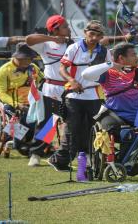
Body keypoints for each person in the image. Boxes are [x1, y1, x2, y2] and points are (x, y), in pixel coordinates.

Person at [26, 15, 129, 167]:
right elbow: (29, 40)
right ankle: (37, 152)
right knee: (49, 123)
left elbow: (102, 41)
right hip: (54, 88)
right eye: (65, 26)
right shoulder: (46, 44)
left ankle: (84, 154)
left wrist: (123, 37)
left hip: (77, 89)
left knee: (83, 125)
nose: (68, 28)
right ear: (55, 29)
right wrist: (53, 39)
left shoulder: (72, 42)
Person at [47, 20, 111, 172]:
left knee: (94, 129)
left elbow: (109, 72)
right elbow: (62, 68)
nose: (94, 38)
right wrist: (72, 80)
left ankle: (92, 160)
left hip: (96, 95)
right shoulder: (74, 47)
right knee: (72, 129)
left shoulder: (104, 51)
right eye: (92, 34)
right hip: (74, 96)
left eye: (98, 35)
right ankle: (59, 160)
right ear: (85, 33)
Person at [81, 43, 138, 140]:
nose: (137, 57)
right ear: (121, 58)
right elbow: (85, 74)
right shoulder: (109, 73)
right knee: (122, 134)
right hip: (115, 115)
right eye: (133, 55)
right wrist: (111, 64)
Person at [0, 43, 41, 157]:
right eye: (26, 58)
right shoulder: (4, 70)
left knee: (48, 119)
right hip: (11, 104)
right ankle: (19, 144)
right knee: (18, 121)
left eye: (30, 58)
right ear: (17, 57)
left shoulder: (33, 68)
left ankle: (40, 144)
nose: (29, 61)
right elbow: (1, 92)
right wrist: (16, 104)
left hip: (31, 103)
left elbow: (43, 79)